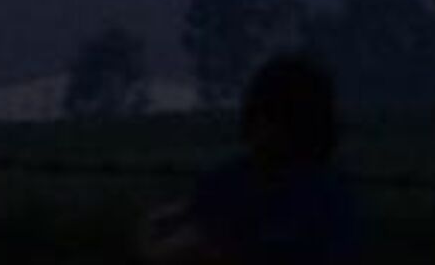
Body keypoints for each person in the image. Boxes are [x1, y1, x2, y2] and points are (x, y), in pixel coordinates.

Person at [138, 55, 361, 264]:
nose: (262, 127)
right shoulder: (331, 193)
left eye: (273, 117)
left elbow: (164, 248)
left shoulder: (323, 195)